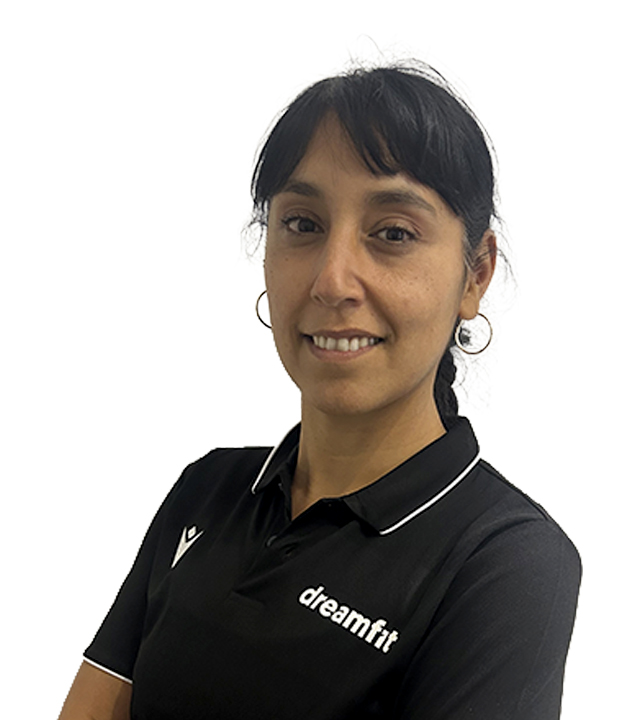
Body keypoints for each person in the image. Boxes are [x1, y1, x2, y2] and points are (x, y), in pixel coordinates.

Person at [59, 62, 581, 719]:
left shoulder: (505, 561)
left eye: (393, 234)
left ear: (475, 275)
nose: (333, 281)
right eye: (303, 224)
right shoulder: (208, 490)